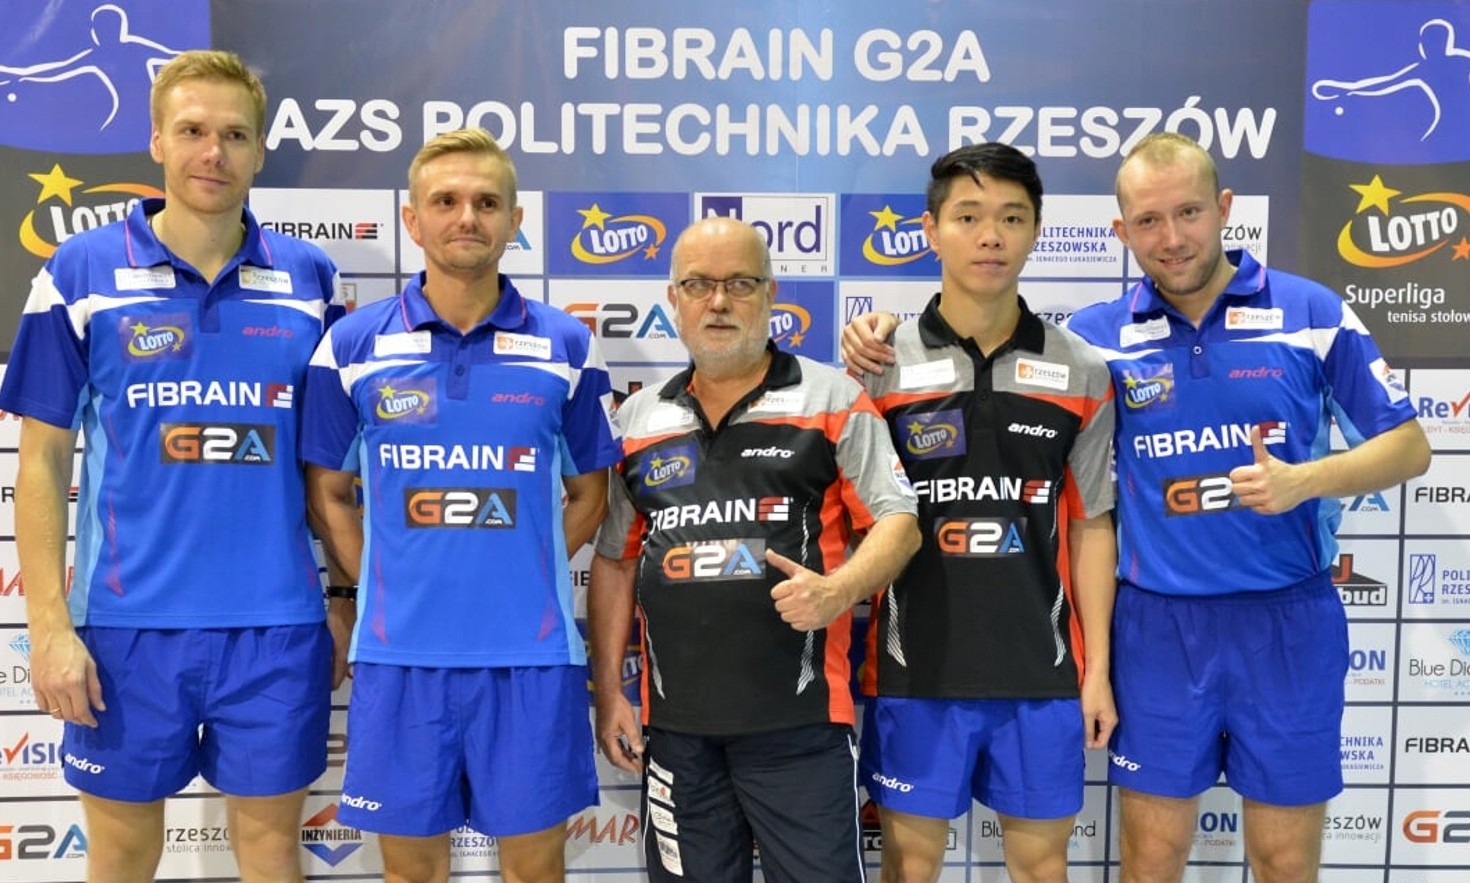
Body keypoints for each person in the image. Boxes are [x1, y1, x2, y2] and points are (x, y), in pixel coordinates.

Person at [845, 132, 1432, 883]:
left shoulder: (1311, 311)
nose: (1172, 237)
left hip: (1289, 618)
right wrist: (873, 329)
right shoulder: (1093, 341)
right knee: (1150, 860)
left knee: (1286, 861)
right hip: (1156, 626)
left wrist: (1308, 480)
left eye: (1189, 212)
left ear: (1225, 208)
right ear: (1121, 231)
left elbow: (1410, 448)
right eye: (1149, 221)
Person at [2, 49, 345, 883]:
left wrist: (343, 595)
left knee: (271, 854)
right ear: (156, 141)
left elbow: (329, 470)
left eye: (234, 134)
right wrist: (48, 628)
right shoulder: (80, 271)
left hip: (276, 627)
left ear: (261, 150)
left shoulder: (311, 279)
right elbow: (42, 458)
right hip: (125, 629)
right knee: (122, 857)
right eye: (191, 131)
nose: (212, 153)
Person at [301, 127, 622, 883]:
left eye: (486, 202)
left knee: (536, 872)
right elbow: (327, 492)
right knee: (411, 872)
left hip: (530, 657)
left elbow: (591, 493)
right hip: (400, 657)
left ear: (515, 221)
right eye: (445, 201)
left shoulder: (568, 346)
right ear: (412, 221)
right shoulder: (350, 345)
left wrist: (522, 567)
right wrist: (386, 577)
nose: (466, 217)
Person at [587, 216, 921, 883]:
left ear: (770, 295)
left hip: (801, 729)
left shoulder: (832, 398)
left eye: (739, 284)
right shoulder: (636, 420)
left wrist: (838, 590)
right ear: (674, 299)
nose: (718, 302)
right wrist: (610, 691)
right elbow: (615, 560)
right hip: (677, 736)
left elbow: (900, 521)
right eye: (698, 285)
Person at [835, 143, 1117, 883]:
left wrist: (1097, 672)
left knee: (1043, 870)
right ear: (931, 230)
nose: (990, 236)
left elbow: (1091, 525)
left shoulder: (1082, 369)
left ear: (1036, 230)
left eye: (1011, 218)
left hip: (1042, 675)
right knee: (909, 869)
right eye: (968, 217)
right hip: (914, 673)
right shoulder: (877, 366)